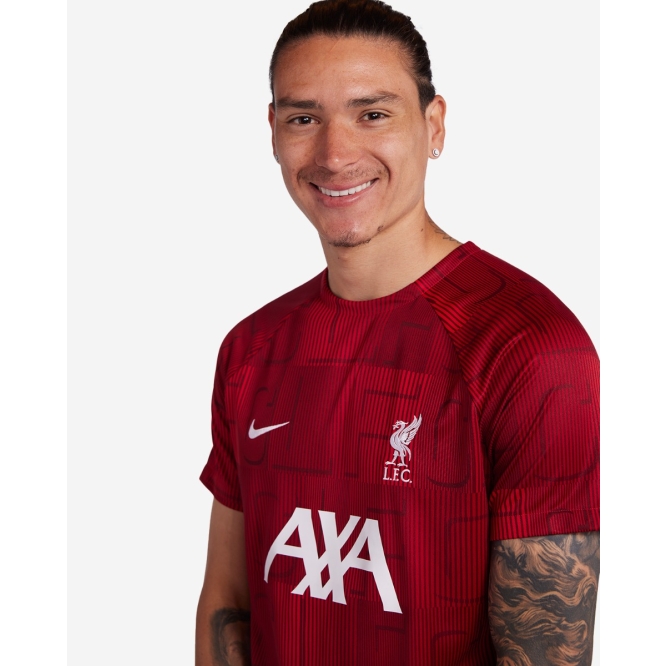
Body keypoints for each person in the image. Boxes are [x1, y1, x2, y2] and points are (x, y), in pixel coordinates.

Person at [195, 1, 600, 664]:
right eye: (304, 119)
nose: (335, 154)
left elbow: (545, 647)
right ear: (273, 133)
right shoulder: (250, 350)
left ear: (433, 126)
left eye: (372, 114)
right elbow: (228, 600)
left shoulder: (529, 350)